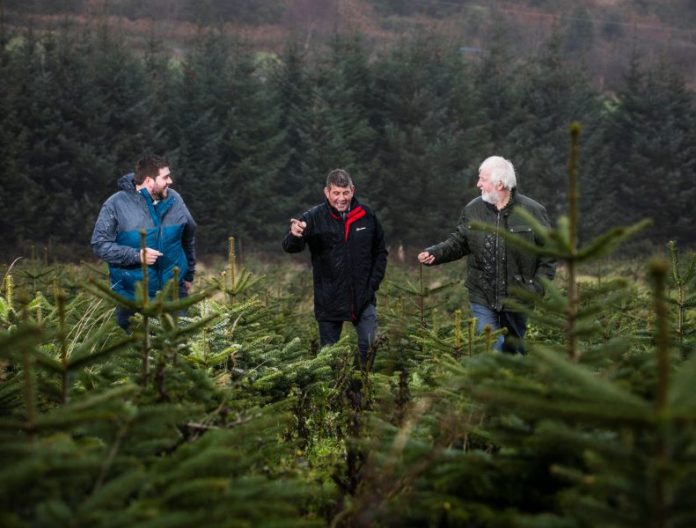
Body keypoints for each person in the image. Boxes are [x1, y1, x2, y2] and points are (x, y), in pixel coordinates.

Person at [418, 156, 555, 354]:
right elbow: (459, 241)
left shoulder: (533, 211)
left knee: (514, 350)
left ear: (499, 184)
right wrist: (435, 253)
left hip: (519, 295)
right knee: (490, 343)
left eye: (483, 179)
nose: (478, 184)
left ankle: (512, 381)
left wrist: (537, 288)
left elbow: (548, 254)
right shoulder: (473, 210)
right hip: (481, 293)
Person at [283, 168, 388, 363]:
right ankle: (336, 391)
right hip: (329, 298)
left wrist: (372, 284)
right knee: (328, 358)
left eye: (346, 192)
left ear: (353, 190)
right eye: (336, 193)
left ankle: (358, 389)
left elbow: (380, 252)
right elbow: (290, 247)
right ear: (327, 192)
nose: (342, 198)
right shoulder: (313, 217)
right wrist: (295, 235)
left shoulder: (366, 215)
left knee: (370, 344)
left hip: (363, 297)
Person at [91, 154, 196, 330]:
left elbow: (188, 236)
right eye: (165, 177)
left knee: (179, 351)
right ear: (149, 181)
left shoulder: (175, 199)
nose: (170, 181)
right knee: (139, 353)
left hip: (174, 295)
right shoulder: (115, 204)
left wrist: (189, 275)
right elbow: (99, 244)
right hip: (132, 296)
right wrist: (136, 255)